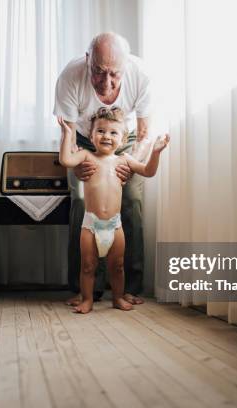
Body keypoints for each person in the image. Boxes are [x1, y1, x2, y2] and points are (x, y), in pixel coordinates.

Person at [53, 32, 152, 306]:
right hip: (84, 138)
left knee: (131, 199)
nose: (106, 83)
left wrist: (130, 164)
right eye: (98, 72)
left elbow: (144, 133)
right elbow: (68, 133)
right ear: (87, 61)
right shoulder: (70, 77)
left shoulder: (141, 74)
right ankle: (86, 288)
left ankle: (130, 287)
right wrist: (75, 164)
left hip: (126, 139)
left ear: (126, 67)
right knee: (81, 200)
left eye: (114, 75)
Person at [58, 107, 169, 313]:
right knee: (88, 266)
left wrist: (155, 152)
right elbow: (65, 160)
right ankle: (87, 299)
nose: (106, 136)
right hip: (91, 225)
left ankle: (118, 298)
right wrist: (67, 134)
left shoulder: (124, 160)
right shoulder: (85, 156)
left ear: (123, 137)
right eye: (100, 131)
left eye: (113, 132)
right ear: (91, 136)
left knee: (117, 267)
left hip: (114, 226)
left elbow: (148, 171)